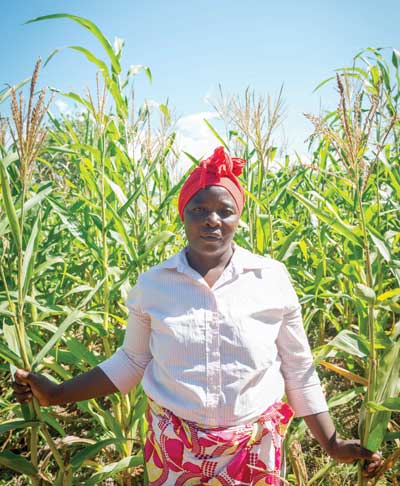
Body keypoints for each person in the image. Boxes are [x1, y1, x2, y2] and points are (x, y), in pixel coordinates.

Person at [13, 147, 381, 485]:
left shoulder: (271, 278)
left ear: (238, 217)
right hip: (175, 451)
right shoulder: (154, 284)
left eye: (225, 210)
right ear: (183, 215)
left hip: (255, 452)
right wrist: (57, 394)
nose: (212, 221)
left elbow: (298, 369)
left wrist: (332, 444)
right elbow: (131, 361)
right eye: (199, 210)